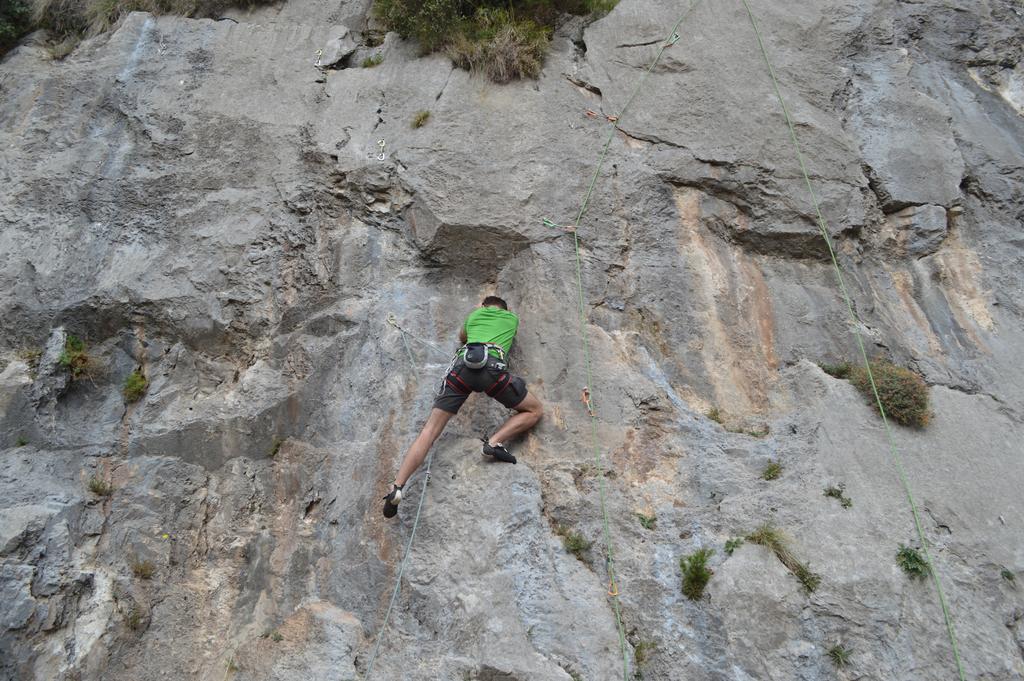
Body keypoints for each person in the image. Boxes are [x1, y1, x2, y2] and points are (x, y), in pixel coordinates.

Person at [383, 295, 543, 518]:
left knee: (429, 432)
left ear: (484, 306)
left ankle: (397, 487)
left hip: (461, 370)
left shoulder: (474, 315)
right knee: (534, 410)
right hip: (491, 369)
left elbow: (462, 337)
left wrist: (476, 315)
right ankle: (495, 442)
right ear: (503, 308)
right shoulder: (511, 319)